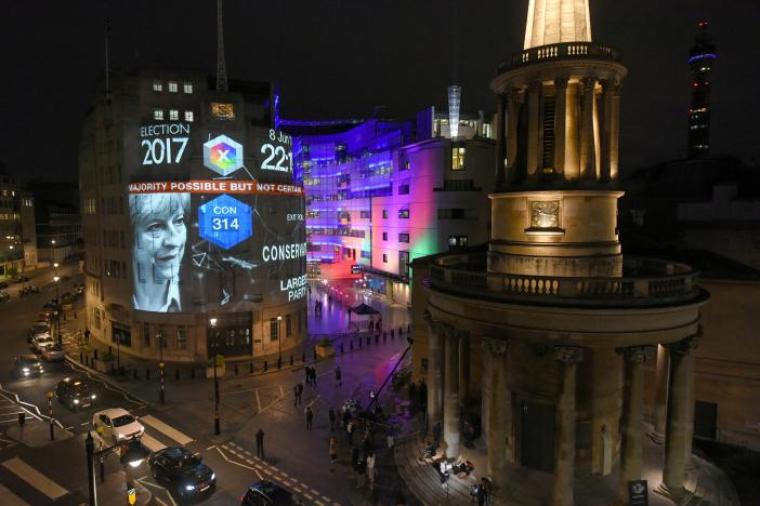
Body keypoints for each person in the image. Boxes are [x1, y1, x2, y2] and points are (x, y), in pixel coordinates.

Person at [130, 192, 190, 312]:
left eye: (179, 220)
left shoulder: (194, 292)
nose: (174, 241)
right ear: (131, 239)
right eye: (155, 227)